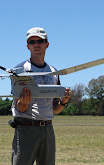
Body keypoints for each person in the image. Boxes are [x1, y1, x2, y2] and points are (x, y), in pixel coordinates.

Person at [11, 27, 71, 165]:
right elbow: (19, 107)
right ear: (28, 46)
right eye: (32, 42)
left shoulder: (54, 72)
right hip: (26, 129)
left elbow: (54, 108)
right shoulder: (20, 71)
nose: (36, 44)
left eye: (40, 41)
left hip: (48, 129)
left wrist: (63, 102)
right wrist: (24, 103)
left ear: (47, 44)